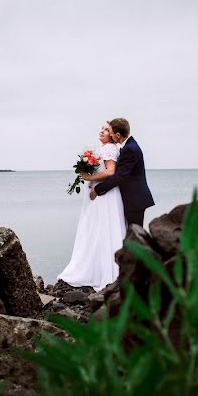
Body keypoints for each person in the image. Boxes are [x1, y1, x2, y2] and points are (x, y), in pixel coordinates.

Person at [57, 122, 127, 290]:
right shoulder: (102, 149)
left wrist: (90, 178)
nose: (102, 131)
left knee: (103, 228)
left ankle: (104, 271)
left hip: (105, 196)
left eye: (106, 130)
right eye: (102, 129)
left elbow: (111, 171)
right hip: (99, 194)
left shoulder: (110, 148)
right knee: (96, 228)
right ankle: (94, 266)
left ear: (113, 135)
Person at [83, 117, 154, 228]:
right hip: (133, 199)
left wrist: (97, 189)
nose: (110, 135)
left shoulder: (130, 149)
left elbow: (120, 176)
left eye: (110, 132)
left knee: (135, 234)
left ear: (118, 135)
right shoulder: (128, 146)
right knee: (132, 233)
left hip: (135, 200)